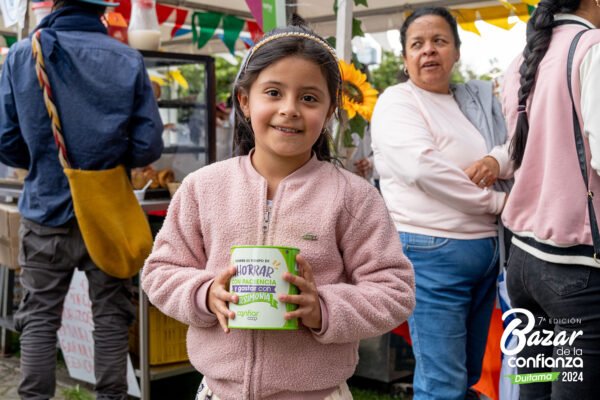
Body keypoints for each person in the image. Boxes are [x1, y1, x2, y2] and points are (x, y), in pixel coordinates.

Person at [141, 19, 415, 400]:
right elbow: (159, 273)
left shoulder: (354, 198)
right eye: (273, 92)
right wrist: (204, 294)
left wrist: (324, 308)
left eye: (309, 98)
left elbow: (395, 292)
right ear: (244, 100)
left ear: (330, 109)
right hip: (218, 392)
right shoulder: (203, 188)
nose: (290, 109)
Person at [0, 0, 163, 398]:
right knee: (110, 316)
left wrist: (46, 164)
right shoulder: (127, 59)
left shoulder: (23, 53)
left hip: (45, 209)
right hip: (108, 211)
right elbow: (147, 145)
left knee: (39, 316)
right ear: (102, 10)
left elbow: (6, 140)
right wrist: (107, 163)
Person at [371, 7, 510, 400]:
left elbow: (514, 142)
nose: (428, 51)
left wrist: (494, 161)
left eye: (439, 41)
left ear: (457, 51)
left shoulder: (472, 104)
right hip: (434, 253)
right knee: (442, 384)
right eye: (417, 44)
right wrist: (497, 203)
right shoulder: (398, 101)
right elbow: (423, 169)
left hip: (485, 256)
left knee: (464, 377)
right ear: (404, 57)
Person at [492, 0, 600, 398]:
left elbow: (519, 149)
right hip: (574, 269)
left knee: (533, 390)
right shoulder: (592, 48)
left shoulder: (523, 58)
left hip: (523, 262)